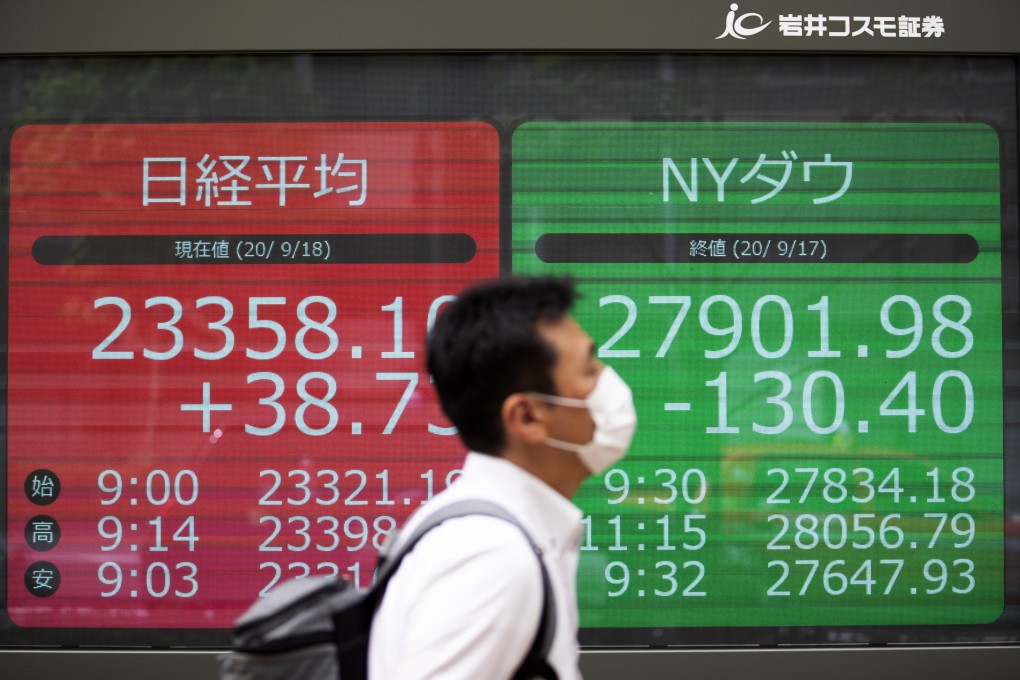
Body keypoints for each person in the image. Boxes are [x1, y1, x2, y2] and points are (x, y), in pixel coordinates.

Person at [368, 276, 637, 680]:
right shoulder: (492, 558)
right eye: (589, 370)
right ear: (527, 417)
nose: (608, 384)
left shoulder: (499, 534)